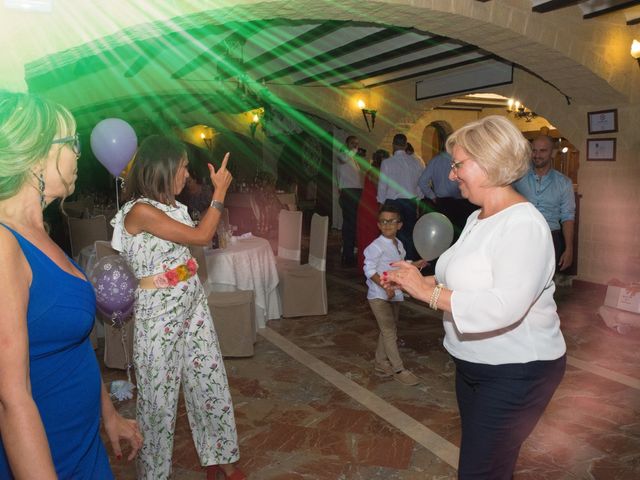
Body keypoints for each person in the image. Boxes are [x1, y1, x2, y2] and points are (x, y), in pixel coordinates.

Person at [381, 116, 566, 479]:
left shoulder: (524, 225)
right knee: (493, 467)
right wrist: (415, 277)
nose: (451, 175)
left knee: (479, 472)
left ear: (490, 162)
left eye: (458, 165)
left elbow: (502, 307)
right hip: (474, 365)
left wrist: (426, 291)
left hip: (517, 370)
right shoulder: (478, 218)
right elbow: (461, 277)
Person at [0, 91, 142, 478]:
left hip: (83, 444)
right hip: (46, 455)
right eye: (71, 143)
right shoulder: (3, 243)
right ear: (35, 156)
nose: (79, 154)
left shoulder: (40, 231)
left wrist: (108, 415)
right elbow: (10, 398)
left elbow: (75, 342)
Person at [111, 135, 244, 480]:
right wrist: (219, 193)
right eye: (183, 166)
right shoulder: (139, 210)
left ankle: (220, 457)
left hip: (191, 300)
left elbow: (191, 249)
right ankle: (155, 474)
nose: (187, 173)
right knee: (158, 400)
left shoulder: (173, 207)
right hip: (159, 312)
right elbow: (201, 237)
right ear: (164, 167)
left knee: (209, 381)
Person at [364, 204, 427, 386]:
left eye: (392, 221)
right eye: (383, 221)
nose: (387, 225)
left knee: (389, 330)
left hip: (394, 294)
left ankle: (380, 362)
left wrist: (415, 264)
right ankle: (398, 369)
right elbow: (369, 269)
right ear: (378, 224)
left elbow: (399, 264)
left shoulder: (398, 244)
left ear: (399, 225)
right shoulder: (375, 247)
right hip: (378, 295)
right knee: (389, 331)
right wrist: (385, 287)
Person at [514, 135, 575, 272]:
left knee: (545, 282)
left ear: (552, 153)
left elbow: (568, 217)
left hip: (551, 237)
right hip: (521, 235)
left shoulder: (564, 183)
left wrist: (569, 249)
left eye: (543, 151)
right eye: (534, 151)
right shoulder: (518, 178)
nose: (537, 155)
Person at [377, 133, 424, 261]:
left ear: (393, 145)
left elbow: (382, 185)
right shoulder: (416, 162)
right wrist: (418, 201)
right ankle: (409, 262)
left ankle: (394, 261)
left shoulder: (387, 163)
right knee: (409, 233)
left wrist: (380, 203)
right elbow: (419, 185)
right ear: (405, 144)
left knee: (391, 233)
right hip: (410, 202)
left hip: (393, 203)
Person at [418, 149, 476, 239]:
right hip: (462, 203)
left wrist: (432, 196)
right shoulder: (463, 160)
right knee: (462, 235)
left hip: (443, 203)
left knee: (445, 235)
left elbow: (422, 181)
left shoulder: (436, 160)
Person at [356, 149, 389, 270]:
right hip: (371, 207)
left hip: (366, 205)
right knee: (371, 236)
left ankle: (366, 263)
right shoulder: (377, 172)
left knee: (366, 235)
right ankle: (370, 265)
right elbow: (379, 191)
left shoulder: (371, 170)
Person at [337, 135, 364, 266]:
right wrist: (353, 151)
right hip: (349, 193)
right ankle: (347, 255)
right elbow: (342, 159)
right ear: (347, 143)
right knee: (349, 224)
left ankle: (349, 252)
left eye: (357, 144)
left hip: (355, 192)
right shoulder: (343, 154)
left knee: (352, 224)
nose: (355, 146)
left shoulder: (352, 158)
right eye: (353, 143)